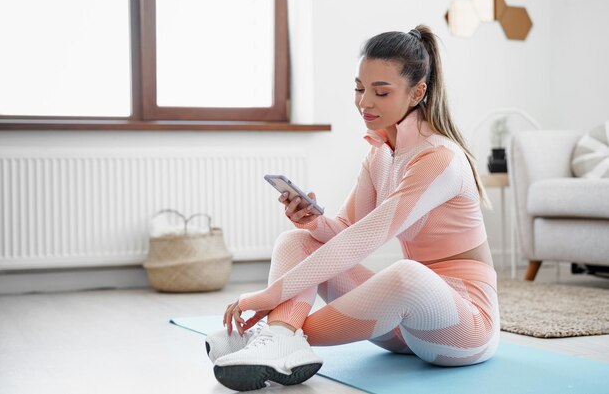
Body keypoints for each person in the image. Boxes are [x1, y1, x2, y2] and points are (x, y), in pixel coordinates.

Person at [206, 25, 499, 392]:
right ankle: (280, 337)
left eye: (381, 92)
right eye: (360, 89)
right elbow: (345, 229)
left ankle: (275, 336)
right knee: (294, 241)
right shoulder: (380, 154)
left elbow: (363, 239)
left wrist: (271, 296)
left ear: (417, 92)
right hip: (404, 329)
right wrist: (314, 222)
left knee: (407, 275)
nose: (365, 103)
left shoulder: (439, 159)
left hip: (464, 327)